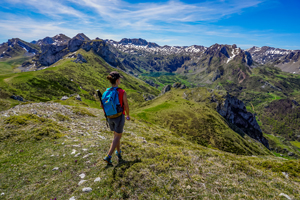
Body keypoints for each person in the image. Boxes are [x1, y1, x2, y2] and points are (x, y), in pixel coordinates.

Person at [103, 71, 130, 165]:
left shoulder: (106, 92)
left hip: (109, 117)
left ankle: (118, 152)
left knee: (116, 135)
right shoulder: (122, 92)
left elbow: (102, 105)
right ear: (117, 80)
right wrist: (128, 115)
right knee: (118, 136)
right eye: (120, 79)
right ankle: (108, 156)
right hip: (119, 116)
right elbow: (126, 105)